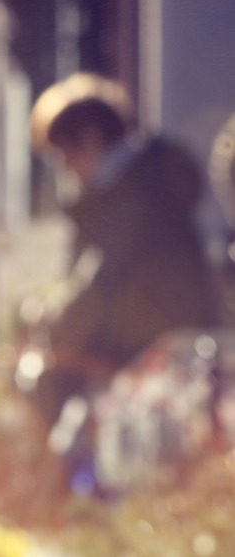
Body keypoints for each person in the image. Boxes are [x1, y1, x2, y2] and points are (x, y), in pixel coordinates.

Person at [29, 73, 218, 435]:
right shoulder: (147, 182)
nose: (63, 170)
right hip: (166, 362)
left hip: (146, 367)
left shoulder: (129, 196)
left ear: (90, 140)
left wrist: (48, 323)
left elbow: (97, 287)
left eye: (62, 155)